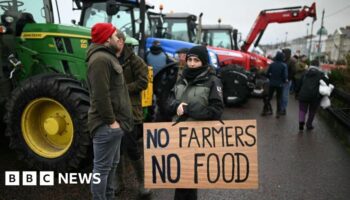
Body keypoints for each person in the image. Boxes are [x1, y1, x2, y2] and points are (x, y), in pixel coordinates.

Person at [168, 45, 224, 200]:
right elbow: (169, 101)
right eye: (190, 60)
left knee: (188, 180)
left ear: (204, 62)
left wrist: (188, 109)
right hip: (178, 135)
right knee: (180, 178)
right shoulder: (181, 78)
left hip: (198, 137)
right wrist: (175, 105)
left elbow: (216, 110)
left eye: (196, 60)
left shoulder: (213, 81)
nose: (191, 64)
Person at [86, 23, 133, 200]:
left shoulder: (107, 57)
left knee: (111, 166)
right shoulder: (100, 60)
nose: (118, 38)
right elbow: (100, 95)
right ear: (107, 39)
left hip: (113, 125)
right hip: (106, 125)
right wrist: (112, 122)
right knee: (102, 169)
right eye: (114, 35)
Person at [114, 31, 151, 197]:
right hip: (113, 109)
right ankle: (118, 181)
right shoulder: (108, 58)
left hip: (130, 109)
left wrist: (123, 89)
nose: (109, 42)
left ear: (121, 41)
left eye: (112, 39)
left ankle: (142, 181)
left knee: (131, 146)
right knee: (116, 146)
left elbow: (143, 82)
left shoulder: (135, 61)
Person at [295, 59, 328, 132]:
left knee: (302, 110)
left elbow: (299, 84)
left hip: (303, 95)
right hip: (315, 96)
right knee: (312, 111)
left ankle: (301, 125)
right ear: (318, 65)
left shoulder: (305, 73)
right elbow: (326, 83)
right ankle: (309, 124)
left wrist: (297, 93)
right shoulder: (321, 74)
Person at [262, 51, 288, 118]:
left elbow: (267, 74)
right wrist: (285, 81)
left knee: (269, 97)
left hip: (272, 83)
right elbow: (285, 76)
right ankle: (278, 113)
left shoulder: (272, 64)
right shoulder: (284, 65)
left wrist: (271, 78)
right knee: (279, 98)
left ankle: (264, 110)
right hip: (280, 84)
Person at [280, 48, 296, 115]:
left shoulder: (291, 61)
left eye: (284, 52)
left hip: (287, 81)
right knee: (281, 95)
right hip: (281, 80)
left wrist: (288, 78)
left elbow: (293, 71)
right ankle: (281, 108)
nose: (283, 54)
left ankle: (283, 109)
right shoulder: (283, 59)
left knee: (284, 95)